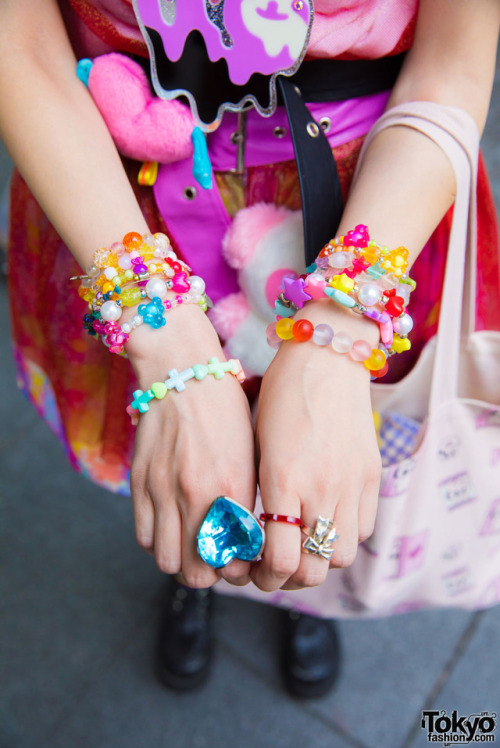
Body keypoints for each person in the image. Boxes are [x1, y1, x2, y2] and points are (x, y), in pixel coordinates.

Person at [1, 0, 499, 698]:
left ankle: (304, 582)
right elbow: (19, 45)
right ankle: (199, 568)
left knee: (337, 449)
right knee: (173, 452)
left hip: (371, 202)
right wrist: (166, 343)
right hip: (118, 201)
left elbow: (452, 63)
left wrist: (338, 330)